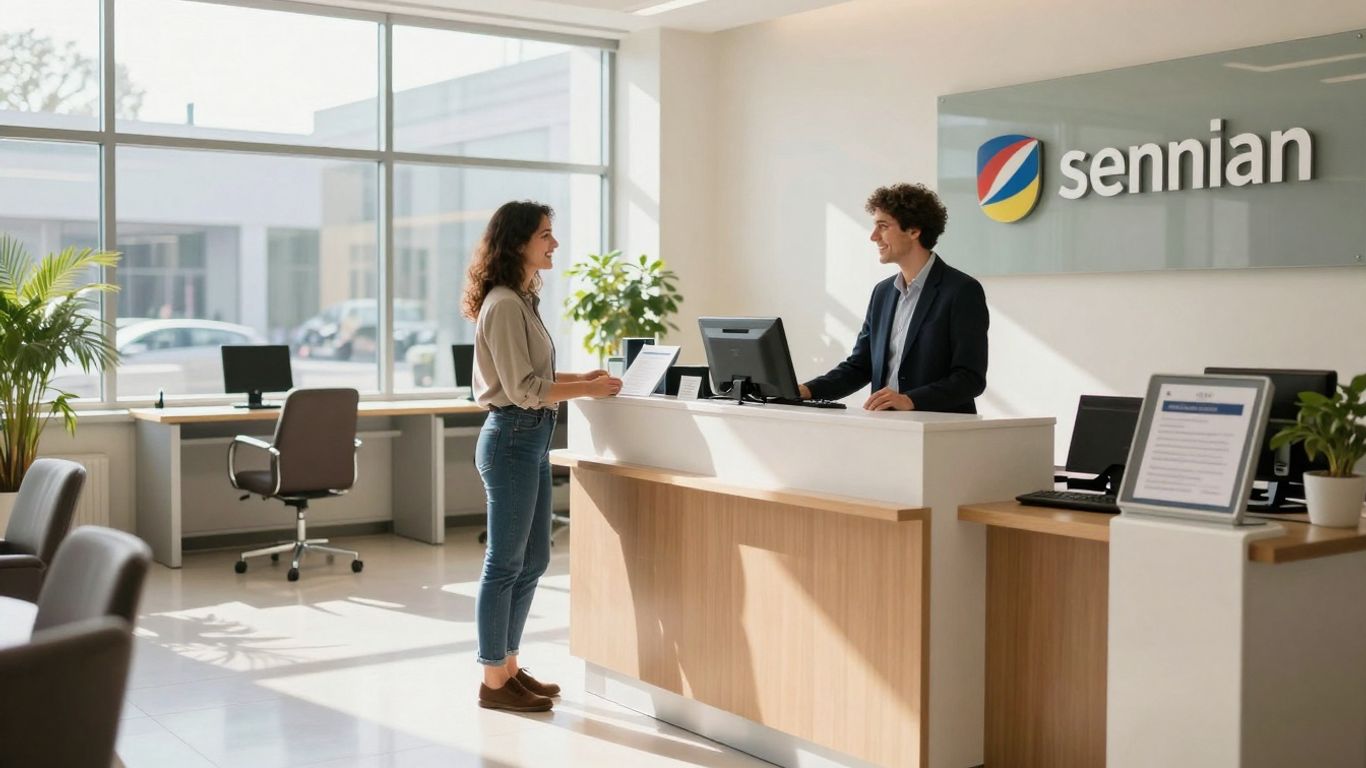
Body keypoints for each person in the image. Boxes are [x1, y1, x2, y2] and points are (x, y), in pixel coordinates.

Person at [460, 200, 622, 712]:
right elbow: (524, 389)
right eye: (545, 235)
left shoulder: (522, 299)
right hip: (512, 436)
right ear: (518, 243)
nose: (554, 244)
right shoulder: (505, 304)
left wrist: (584, 379)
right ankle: (493, 680)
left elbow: (537, 378)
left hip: (529, 437)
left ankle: (508, 666)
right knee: (504, 562)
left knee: (534, 558)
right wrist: (587, 391)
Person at [800, 183, 988, 413]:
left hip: (938, 428)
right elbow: (860, 366)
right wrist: (805, 390)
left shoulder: (962, 290)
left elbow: (970, 378)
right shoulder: (882, 292)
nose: (873, 236)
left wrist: (910, 400)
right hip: (888, 426)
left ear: (914, 231)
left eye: (883, 226)